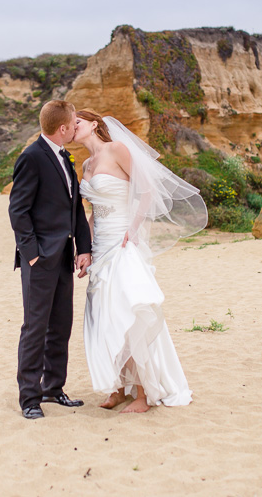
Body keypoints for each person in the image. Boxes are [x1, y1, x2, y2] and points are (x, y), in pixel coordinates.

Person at [73, 110, 207, 413]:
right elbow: (94, 211)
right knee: (104, 316)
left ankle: (145, 394)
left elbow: (146, 189)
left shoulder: (117, 150)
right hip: (101, 246)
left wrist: (133, 229)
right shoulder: (86, 164)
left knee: (128, 312)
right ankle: (119, 389)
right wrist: (85, 248)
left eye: (78, 122)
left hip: (123, 243)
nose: (74, 127)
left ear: (94, 124)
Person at [8, 100, 93, 419]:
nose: (75, 128)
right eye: (73, 123)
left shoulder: (65, 157)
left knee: (60, 325)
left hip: (63, 258)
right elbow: (18, 210)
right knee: (35, 327)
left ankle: (53, 388)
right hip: (40, 260)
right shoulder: (31, 157)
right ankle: (29, 398)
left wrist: (84, 248)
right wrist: (31, 256)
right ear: (62, 128)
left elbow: (74, 210)